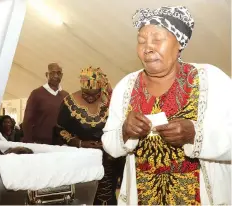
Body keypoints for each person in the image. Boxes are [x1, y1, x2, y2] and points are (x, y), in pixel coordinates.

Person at [102, 6, 231, 205]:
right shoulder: (126, 86)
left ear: (179, 42)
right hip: (143, 196)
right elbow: (109, 143)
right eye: (141, 41)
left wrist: (195, 135)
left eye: (157, 39)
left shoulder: (211, 80)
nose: (147, 48)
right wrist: (125, 131)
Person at [55, 66, 122, 205]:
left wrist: (108, 142)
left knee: (106, 196)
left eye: (95, 94)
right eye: (86, 93)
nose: (90, 97)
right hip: (80, 160)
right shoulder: (69, 102)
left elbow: (119, 126)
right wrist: (80, 143)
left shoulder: (109, 101)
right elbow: (59, 129)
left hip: (108, 160)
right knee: (84, 196)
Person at [22, 63, 68, 144]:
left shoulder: (66, 95)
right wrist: (29, 142)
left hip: (61, 143)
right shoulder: (36, 93)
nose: (56, 76)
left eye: (58, 73)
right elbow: (27, 120)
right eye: (52, 73)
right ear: (47, 75)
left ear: (62, 75)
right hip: (40, 143)